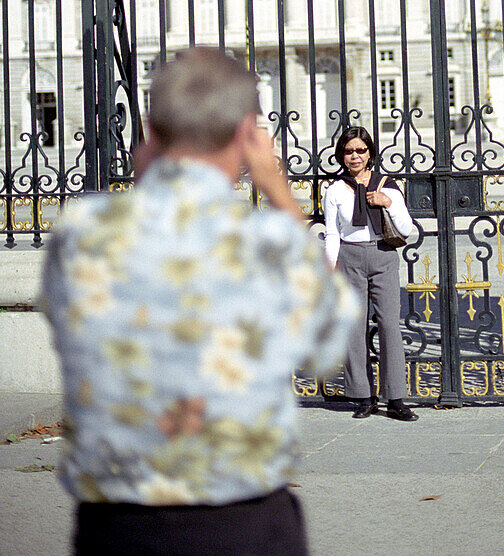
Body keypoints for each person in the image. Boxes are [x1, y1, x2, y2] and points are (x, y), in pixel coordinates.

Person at [41, 46, 359, 556]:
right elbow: (328, 351)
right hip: (242, 521)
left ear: (150, 131)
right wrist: (278, 190)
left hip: (117, 525)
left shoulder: (81, 232)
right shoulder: (271, 242)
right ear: (247, 136)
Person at [323, 126, 417, 421]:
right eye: (349, 151)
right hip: (349, 258)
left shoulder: (387, 185)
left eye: (360, 151)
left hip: (383, 256)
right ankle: (362, 396)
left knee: (389, 324)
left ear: (370, 154)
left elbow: (406, 229)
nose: (354, 156)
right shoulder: (336, 190)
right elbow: (332, 233)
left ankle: (396, 398)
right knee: (354, 327)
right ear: (341, 155)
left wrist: (387, 203)